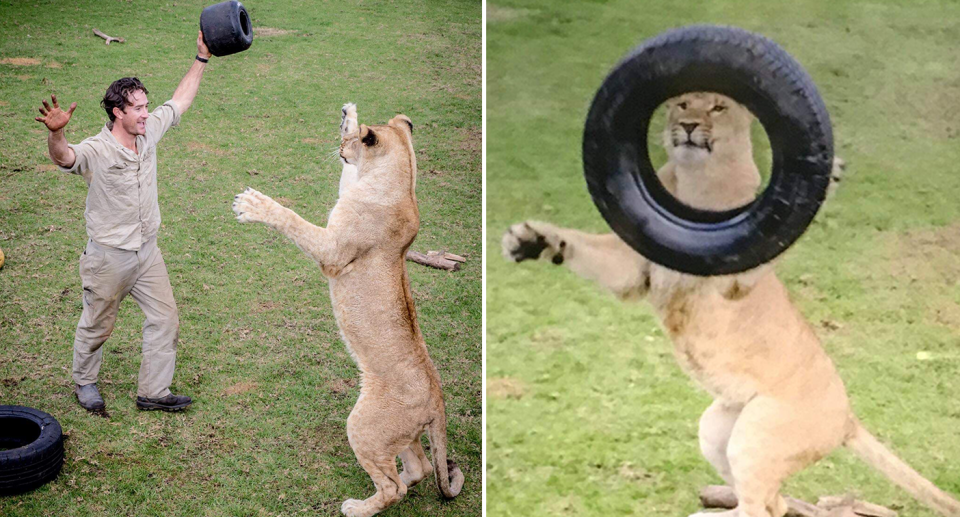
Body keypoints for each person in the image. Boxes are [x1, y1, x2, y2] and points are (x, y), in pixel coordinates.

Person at [34, 31, 212, 412]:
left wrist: (201, 59)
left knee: (165, 319)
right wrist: (57, 131)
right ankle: (85, 383)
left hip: (147, 252)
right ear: (118, 112)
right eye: (138, 108)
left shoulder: (147, 135)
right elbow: (64, 157)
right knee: (97, 326)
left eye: (146, 106)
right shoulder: (97, 150)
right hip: (108, 258)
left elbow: (179, 101)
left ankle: (153, 392)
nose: (146, 113)